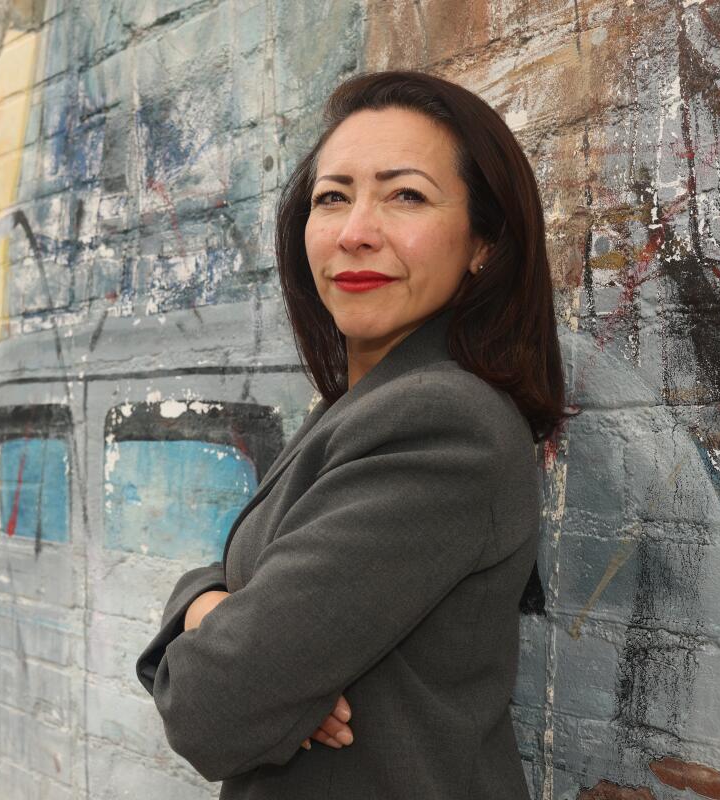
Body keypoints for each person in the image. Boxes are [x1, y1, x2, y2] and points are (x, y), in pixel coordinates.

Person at [135, 70, 568, 799]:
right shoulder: (358, 407)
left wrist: (223, 636)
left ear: (484, 244)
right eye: (332, 197)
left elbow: (210, 709)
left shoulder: (442, 424)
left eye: (406, 196)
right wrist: (210, 604)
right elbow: (244, 619)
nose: (356, 231)